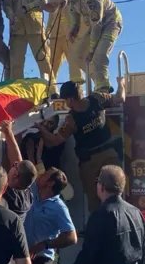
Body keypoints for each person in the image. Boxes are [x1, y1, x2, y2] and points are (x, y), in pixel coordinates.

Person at [34, 76, 126, 212]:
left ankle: (98, 226)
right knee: (115, 194)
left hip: (90, 163)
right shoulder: (97, 98)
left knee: (94, 201)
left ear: (70, 99)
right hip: (110, 156)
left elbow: (55, 140)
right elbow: (120, 98)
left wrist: (40, 128)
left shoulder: (71, 120)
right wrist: (121, 83)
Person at [56, 0, 123, 92]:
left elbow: (97, 26)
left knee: (98, 56)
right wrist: (73, 27)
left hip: (110, 23)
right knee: (77, 55)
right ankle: (98, 82)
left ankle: (103, 90)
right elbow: (74, 11)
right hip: (93, 25)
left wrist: (91, 50)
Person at [3, 0, 52, 84]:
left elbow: (42, 0)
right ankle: (17, 93)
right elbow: (6, 5)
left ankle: (51, 90)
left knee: (43, 59)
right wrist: (10, 14)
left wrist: (27, 7)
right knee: (16, 63)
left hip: (35, 28)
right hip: (17, 30)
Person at [43, 0, 84, 95]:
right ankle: (49, 93)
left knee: (74, 63)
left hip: (71, 30)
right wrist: (47, 30)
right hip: (55, 33)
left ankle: (77, 92)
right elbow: (52, 10)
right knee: (50, 66)